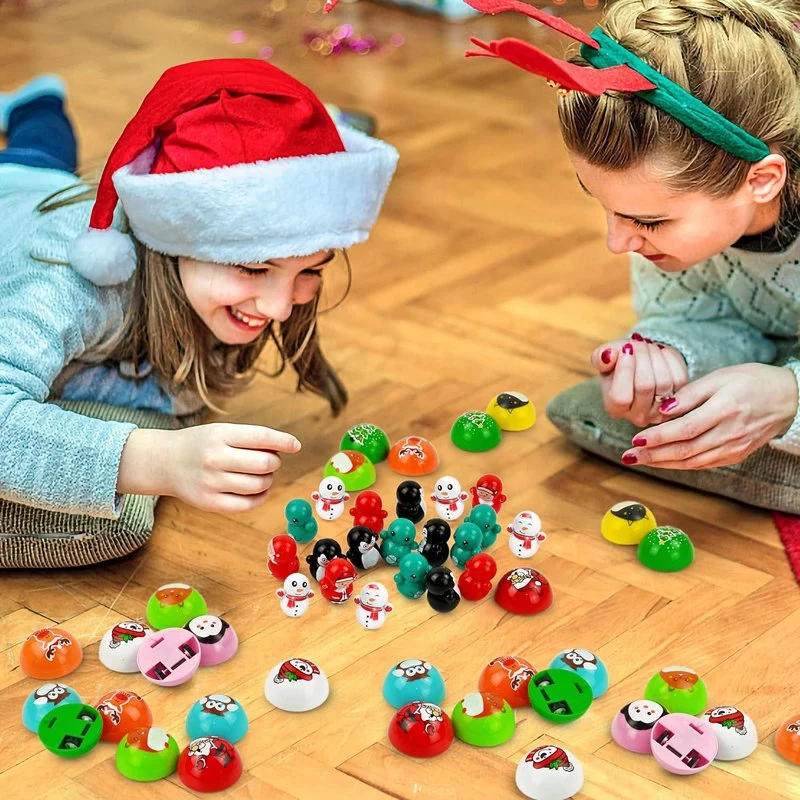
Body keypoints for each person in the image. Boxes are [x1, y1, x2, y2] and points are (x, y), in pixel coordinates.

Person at [0, 59, 398, 522]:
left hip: (51, 190)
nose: (279, 308)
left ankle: (38, 103)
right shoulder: (73, 281)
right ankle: (40, 101)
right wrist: (158, 462)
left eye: (311, 271)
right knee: (37, 147)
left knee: (47, 152)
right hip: (19, 191)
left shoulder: (195, 281)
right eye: (252, 269)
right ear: (175, 239)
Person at [466, 0, 800, 478]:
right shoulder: (665, 217)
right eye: (603, 206)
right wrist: (668, 354)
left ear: (762, 180)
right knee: (588, 409)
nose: (617, 243)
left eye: (650, 222)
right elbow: (709, 315)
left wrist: (789, 396)